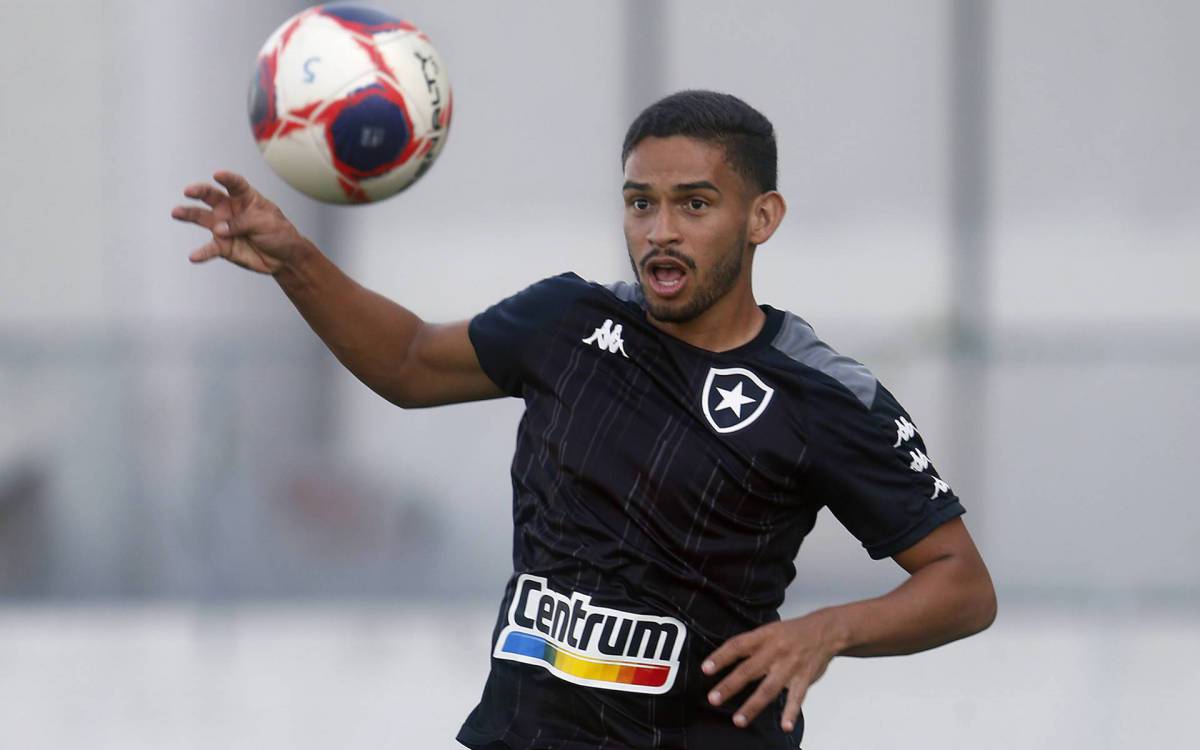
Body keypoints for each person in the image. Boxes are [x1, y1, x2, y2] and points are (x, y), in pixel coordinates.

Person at [172, 90, 996, 749]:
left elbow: (962, 585)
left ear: (762, 218)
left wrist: (828, 631)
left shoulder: (821, 394)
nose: (660, 232)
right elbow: (408, 363)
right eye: (641, 203)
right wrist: (295, 259)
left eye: (695, 204)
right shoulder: (566, 323)